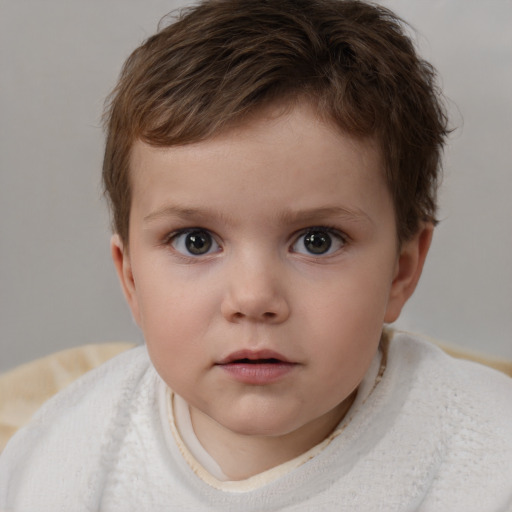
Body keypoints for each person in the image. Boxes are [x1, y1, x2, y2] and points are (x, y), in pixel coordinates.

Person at [1, 0, 511, 510]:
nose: (253, 298)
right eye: (196, 241)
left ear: (401, 272)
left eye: (317, 240)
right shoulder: (63, 458)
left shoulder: (489, 458)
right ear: (131, 280)